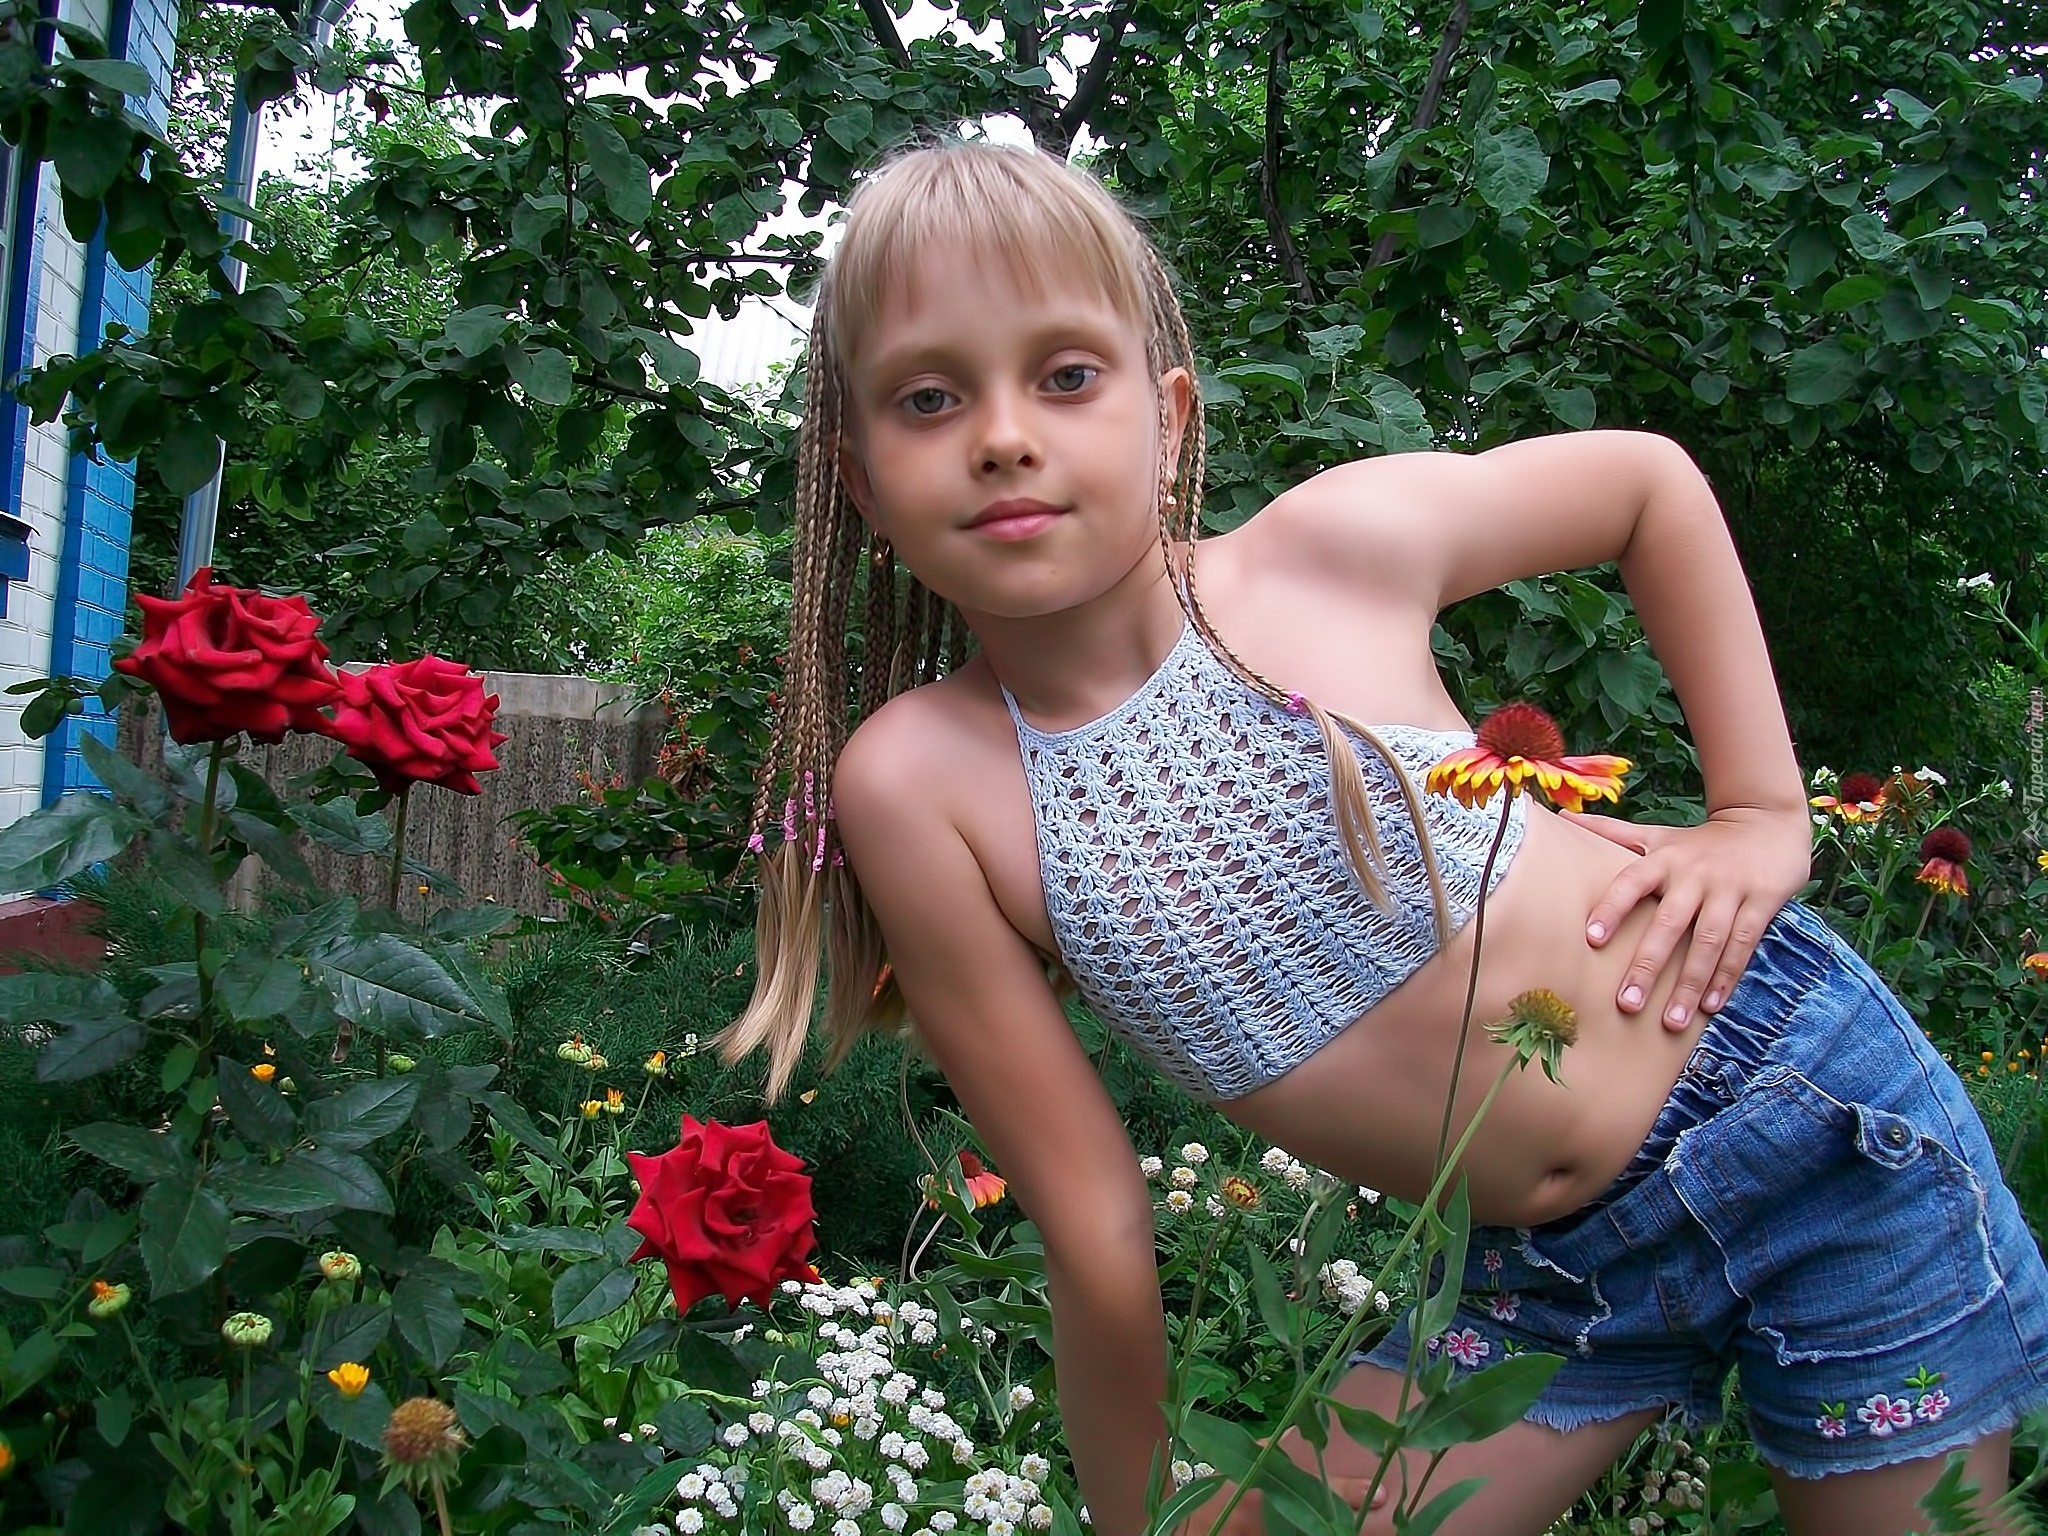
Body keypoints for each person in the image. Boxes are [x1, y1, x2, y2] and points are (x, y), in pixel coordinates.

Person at [715, 139, 2048, 1536]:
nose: (1002, 434)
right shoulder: (919, 784)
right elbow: (1097, 1226)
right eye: (929, 398)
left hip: (1815, 1121)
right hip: (1539, 1275)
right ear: (859, 480)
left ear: (1168, 416)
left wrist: (1763, 817)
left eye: (1064, 375)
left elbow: (1646, 486)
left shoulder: (1331, 548)